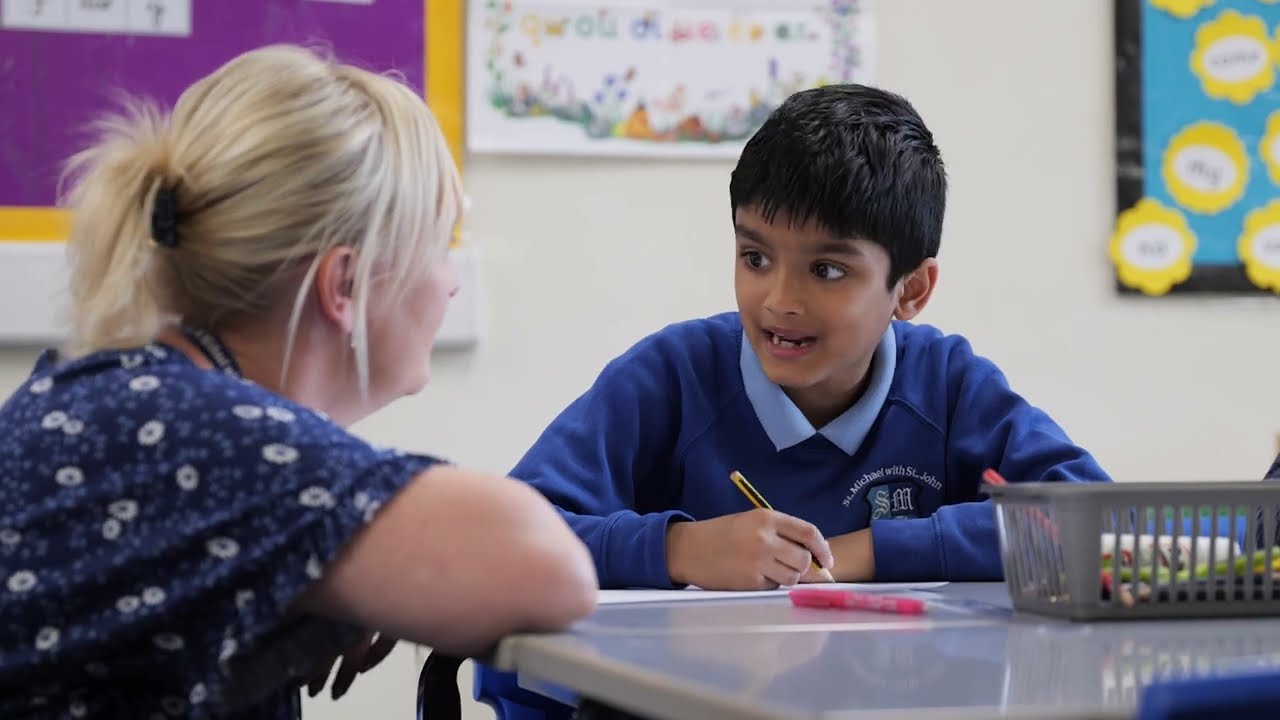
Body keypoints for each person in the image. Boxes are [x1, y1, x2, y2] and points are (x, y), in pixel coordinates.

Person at [0, 44, 596, 720]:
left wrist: (329, 577)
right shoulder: (203, 436)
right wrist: (370, 569)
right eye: (438, 244)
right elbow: (548, 572)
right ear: (344, 285)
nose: (450, 281)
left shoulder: (115, 398)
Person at [508, 83, 1111, 592]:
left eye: (827, 270)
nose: (779, 301)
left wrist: (867, 551)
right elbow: (512, 534)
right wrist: (679, 550)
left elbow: (1093, 521)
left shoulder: (948, 386)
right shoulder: (674, 375)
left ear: (911, 291)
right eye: (755, 257)